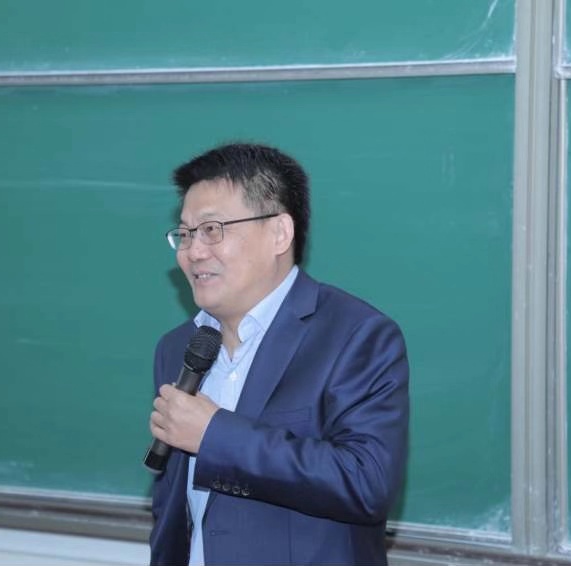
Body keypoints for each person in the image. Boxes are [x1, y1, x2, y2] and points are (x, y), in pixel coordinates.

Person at [148, 142, 409, 565]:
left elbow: (366, 483)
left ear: (279, 234)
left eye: (212, 230)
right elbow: (172, 508)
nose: (193, 251)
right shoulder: (178, 347)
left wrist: (216, 436)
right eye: (186, 233)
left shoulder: (356, 336)